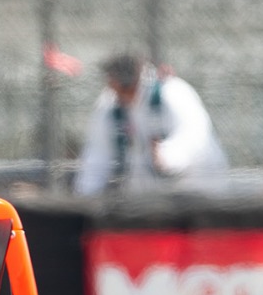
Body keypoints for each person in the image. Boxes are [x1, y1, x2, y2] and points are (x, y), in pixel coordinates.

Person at [73, 52, 228, 196]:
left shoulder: (172, 92)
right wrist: (85, 196)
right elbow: (98, 154)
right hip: (148, 202)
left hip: (197, 192)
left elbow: (195, 137)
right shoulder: (109, 104)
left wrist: (166, 157)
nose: (114, 92)